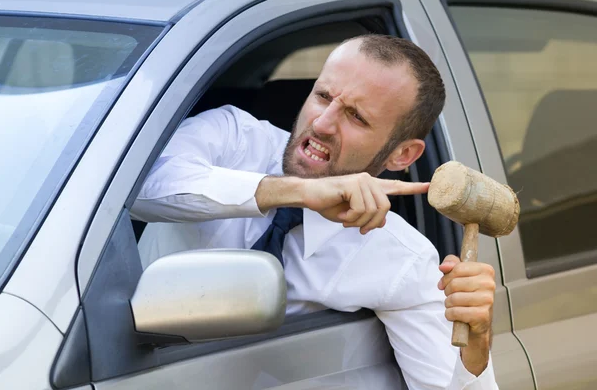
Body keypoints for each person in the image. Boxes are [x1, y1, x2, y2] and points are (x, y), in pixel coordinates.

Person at [131, 34, 499, 389]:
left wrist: (477, 340)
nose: (322, 123)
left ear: (401, 155)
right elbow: (137, 187)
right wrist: (299, 192)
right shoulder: (231, 138)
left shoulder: (400, 259)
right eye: (323, 96)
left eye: (356, 116)